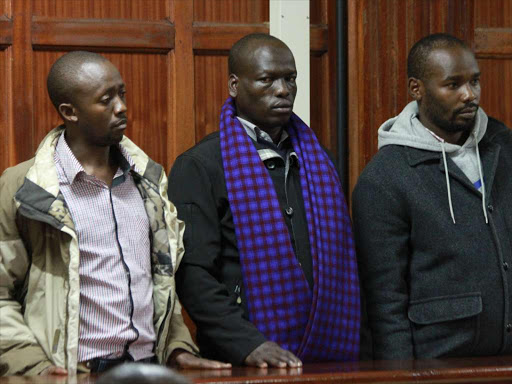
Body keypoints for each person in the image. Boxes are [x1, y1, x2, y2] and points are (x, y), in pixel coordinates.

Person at [0, 51, 230, 375]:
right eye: (105, 99)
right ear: (70, 111)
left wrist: (177, 347)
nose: (121, 107)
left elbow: (162, 280)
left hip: (148, 371)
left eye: (121, 93)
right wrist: (33, 365)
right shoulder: (26, 188)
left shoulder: (148, 179)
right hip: (76, 374)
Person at [168, 34, 360, 367]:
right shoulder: (201, 165)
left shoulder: (321, 162)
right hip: (240, 358)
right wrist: (248, 344)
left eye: (290, 79)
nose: (283, 90)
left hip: (328, 351)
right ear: (234, 85)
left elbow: (350, 264)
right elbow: (193, 274)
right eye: (267, 80)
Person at [352, 33, 512, 360]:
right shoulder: (385, 177)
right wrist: (396, 376)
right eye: (453, 85)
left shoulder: (505, 147)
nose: (470, 95)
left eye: (475, 82)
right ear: (417, 89)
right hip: (437, 365)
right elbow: (385, 300)